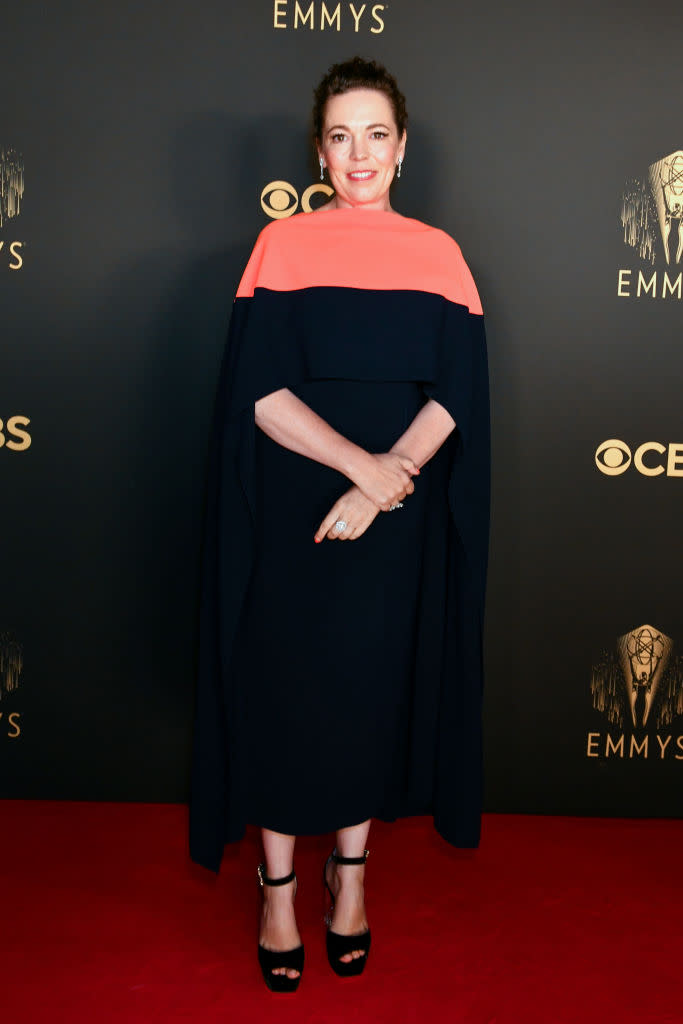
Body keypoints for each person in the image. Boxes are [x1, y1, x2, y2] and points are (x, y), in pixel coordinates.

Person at [190, 56, 490, 992]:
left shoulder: (441, 256)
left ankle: (348, 878)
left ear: (401, 149)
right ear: (319, 152)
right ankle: (277, 889)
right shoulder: (280, 247)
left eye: (375, 135)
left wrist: (386, 480)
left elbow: (456, 398)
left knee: (368, 697)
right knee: (284, 697)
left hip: (390, 522)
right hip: (295, 514)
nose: (357, 154)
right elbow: (259, 396)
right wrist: (360, 471)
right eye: (338, 136)